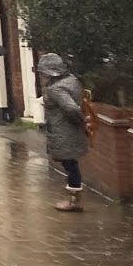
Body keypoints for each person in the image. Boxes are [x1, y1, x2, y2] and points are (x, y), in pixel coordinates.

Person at [38, 53, 89, 212]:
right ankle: (74, 198)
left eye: (43, 72)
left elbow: (71, 108)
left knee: (70, 165)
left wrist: (79, 120)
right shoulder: (72, 80)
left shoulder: (56, 89)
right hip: (71, 131)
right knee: (71, 164)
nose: (42, 76)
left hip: (63, 132)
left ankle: (73, 201)